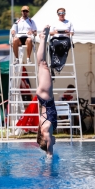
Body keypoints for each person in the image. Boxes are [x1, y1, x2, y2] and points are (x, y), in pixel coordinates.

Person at [36, 26, 57, 158]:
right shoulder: (45, 129)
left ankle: (43, 38)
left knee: (43, 64)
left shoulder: (47, 129)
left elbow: (49, 139)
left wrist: (50, 155)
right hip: (43, 98)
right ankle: (43, 39)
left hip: (46, 97)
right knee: (42, 65)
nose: (55, 141)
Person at [49, 7, 74, 72]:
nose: (61, 14)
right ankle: (55, 61)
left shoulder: (69, 22)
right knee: (54, 44)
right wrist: (56, 32)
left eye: (63, 13)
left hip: (65, 38)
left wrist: (66, 32)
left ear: (65, 14)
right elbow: (50, 33)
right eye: (60, 13)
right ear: (58, 14)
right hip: (56, 38)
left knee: (64, 44)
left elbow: (72, 33)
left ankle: (60, 60)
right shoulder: (54, 23)